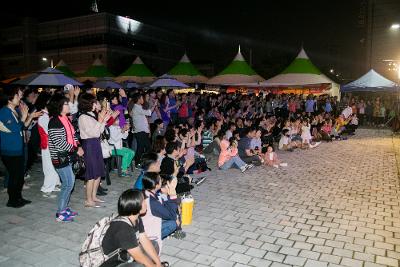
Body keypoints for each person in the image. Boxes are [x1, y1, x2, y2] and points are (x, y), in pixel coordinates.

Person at [0, 87, 42, 208]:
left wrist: (30, 116)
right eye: (18, 96)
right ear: (9, 99)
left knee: (19, 176)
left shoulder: (13, 111)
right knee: (14, 176)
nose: (20, 98)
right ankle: (12, 200)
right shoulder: (4, 112)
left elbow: (23, 126)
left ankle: (18, 197)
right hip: (10, 150)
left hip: (18, 148)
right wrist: (24, 116)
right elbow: (16, 129)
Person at [101, 189, 162, 267]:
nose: (146, 202)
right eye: (143, 201)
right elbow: (138, 256)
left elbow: (144, 240)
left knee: (153, 244)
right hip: (112, 264)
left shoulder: (136, 218)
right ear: (136, 205)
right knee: (140, 265)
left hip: (124, 255)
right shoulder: (123, 228)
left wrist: (158, 263)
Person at [48, 93, 83, 222]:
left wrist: (78, 145)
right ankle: (60, 213)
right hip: (60, 157)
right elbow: (59, 143)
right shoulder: (55, 121)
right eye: (66, 104)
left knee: (70, 182)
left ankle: (64, 208)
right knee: (68, 184)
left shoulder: (65, 119)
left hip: (67, 156)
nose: (69, 106)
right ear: (59, 106)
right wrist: (75, 149)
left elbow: (73, 135)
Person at [78, 93, 111, 208]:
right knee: (91, 174)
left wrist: (103, 120)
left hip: (96, 143)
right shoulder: (83, 117)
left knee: (98, 172)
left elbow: (100, 131)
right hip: (89, 145)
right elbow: (93, 133)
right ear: (89, 104)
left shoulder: (92, 114)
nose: (96, 103)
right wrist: (101, 120)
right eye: (94, 102)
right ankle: (88, 200)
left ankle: (94, 196)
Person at [37, 92, 60, 198]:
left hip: (50, 144)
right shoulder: (43, 116)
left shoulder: (46, 115)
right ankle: (46, 188)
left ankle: (54, 184)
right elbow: (49, 131)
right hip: (47, 145)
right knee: (49, 166)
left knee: (53, 165)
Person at [131, 93, 157, 167]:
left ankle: (142, 162)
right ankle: (141, 163)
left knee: (143, 147)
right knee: (143, 147)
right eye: (142, 98)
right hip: (140, 131)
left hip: (141, 130)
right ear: (138, 99)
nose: (143, 100)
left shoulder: (139, 107)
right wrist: (154, 105)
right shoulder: (137, 107)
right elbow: (149, 113)